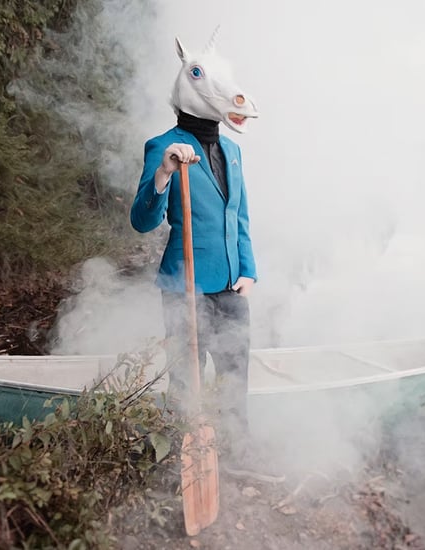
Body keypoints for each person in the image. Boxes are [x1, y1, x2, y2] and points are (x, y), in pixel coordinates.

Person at [130, 34, 281, 481]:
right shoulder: (163, 146)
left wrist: (248, 270)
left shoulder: (232, 151)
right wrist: (164, 172)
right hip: (186, 286)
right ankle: (184, 460)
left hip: (232, 285)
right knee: (187, 379)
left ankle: (239, 453)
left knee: (234, 373)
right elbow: (142, 220)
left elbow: (241, 216)